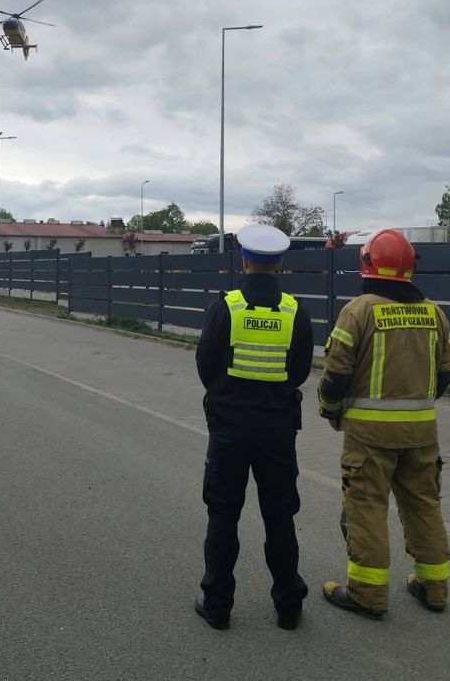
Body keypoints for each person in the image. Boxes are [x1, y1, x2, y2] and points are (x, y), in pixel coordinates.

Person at [317, 228, 450, 619]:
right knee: (424, 505)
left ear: (366, 264)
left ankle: (367, 595)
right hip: (423, 431)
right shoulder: (435, 313)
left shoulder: (358, 311)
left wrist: (331, 410)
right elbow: (445, 375)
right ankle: (434, 588)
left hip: (369, 436)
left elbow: (335, 377)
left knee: (366, 509)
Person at [194, 224, 313, 631]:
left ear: (244, 259)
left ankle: (217, 605)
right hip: (277, 430)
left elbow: (206, 368)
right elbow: (298, 372)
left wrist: (229, 394)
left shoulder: (224, 308)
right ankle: (288, 606)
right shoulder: (295, 311)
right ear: (279, 264)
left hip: (229, 427)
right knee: (280, 516)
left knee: (223, 514)